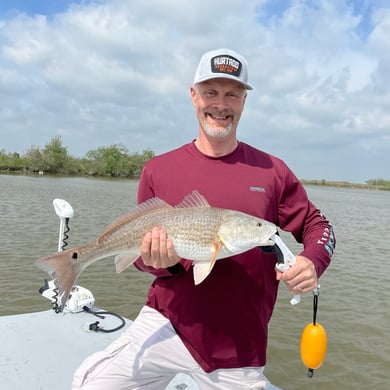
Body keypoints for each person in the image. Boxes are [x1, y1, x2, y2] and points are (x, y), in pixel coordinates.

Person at [72, 48, 335, 389]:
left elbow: (319, 226)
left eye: (232, 94)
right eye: (210, 92)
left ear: (244, 101)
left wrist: (313, 261)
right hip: (167, 321)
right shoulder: (158, 169)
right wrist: (160, 263)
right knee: (90, 384)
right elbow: (141, 260)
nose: (221, 105)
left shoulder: (272, 170)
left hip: (239, 344)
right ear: (193, 96)